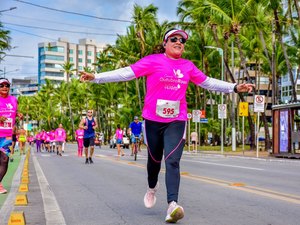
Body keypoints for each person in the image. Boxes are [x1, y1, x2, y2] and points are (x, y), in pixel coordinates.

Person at [80, 28, 255, 223]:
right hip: (153, 120)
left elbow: (208, 83)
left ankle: (172, 204)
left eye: (182, 40)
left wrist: (233, 87)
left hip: (176, 120)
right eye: (174, 39)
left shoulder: (188, 66)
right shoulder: (153, 61)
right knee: (154, 160)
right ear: (165, 43)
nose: (179, 42)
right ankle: (151, 188)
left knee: (172, 160)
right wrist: (96, 77)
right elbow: (125, 73)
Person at [0, 78, 22, 194]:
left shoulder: (14, 100)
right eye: (2, 85)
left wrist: (18, 114)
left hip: (7, 135)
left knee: (4, 159)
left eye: (7, 85)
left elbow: (14, 111)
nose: (4, 87)